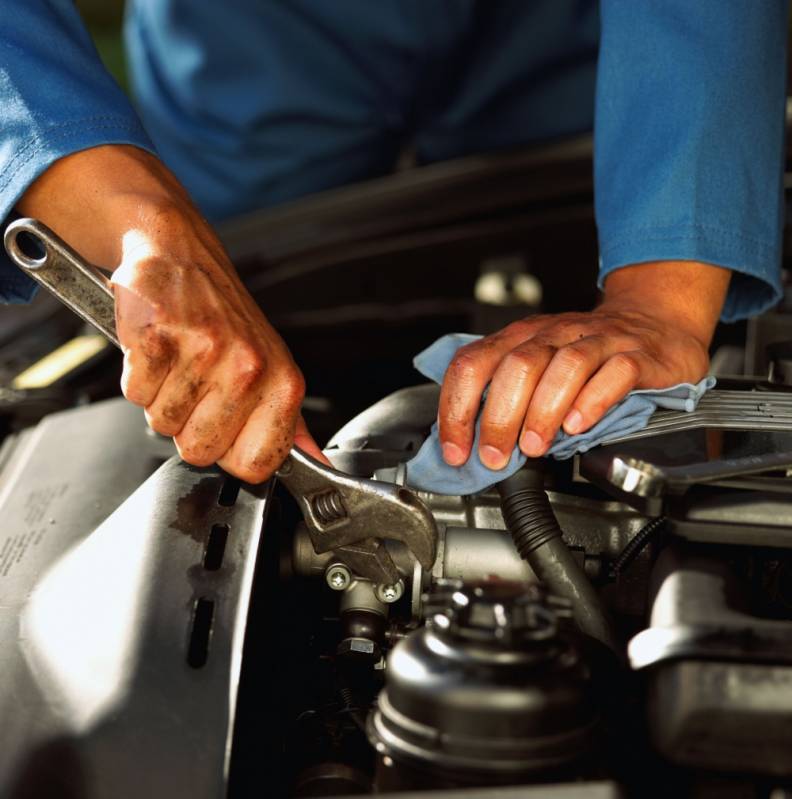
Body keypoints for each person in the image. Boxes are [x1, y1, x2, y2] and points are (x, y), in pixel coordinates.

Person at [0, 2, 787, 483]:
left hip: (583, 45)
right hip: (257, 40)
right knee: (213, 344)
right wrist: (136, 215)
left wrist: (664, 290)